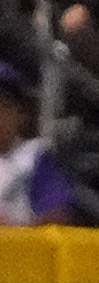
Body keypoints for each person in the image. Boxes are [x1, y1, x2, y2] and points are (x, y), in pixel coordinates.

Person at [0, 61, 75, 225]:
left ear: (21, 114)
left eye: (4, 106)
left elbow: (58, 215)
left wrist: (17, 230)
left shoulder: (33, 157)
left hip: (20, 247)